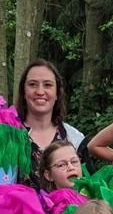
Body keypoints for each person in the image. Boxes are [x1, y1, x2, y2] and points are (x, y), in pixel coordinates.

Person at [15, 60, 85, 188]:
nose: (40, 91)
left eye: (47, 85)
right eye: (32, 84)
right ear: (23, 92)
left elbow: (88, 188)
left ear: (57, 93)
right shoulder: (8, 137)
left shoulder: (75, 139)